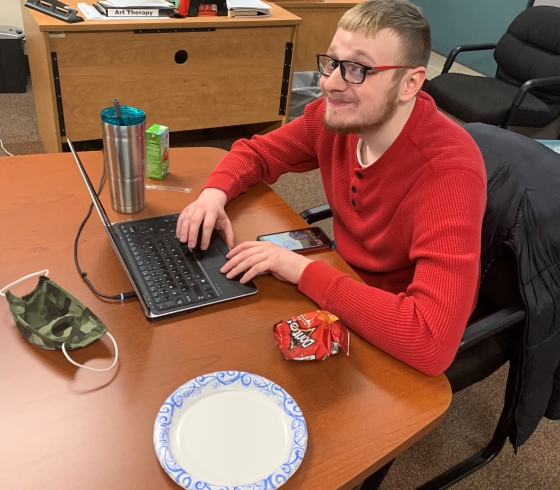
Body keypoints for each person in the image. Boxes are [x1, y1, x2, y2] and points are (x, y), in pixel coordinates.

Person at [175, 0, 487, 376]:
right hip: (340, 276)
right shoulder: (335, 120)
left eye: (357, 68)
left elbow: (428, 340)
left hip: (391, 321)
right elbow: (256, 153)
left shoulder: (448, 172)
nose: (329, 83)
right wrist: (213, 196)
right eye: (332, 62)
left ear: (409, 83)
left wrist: (298, 269)